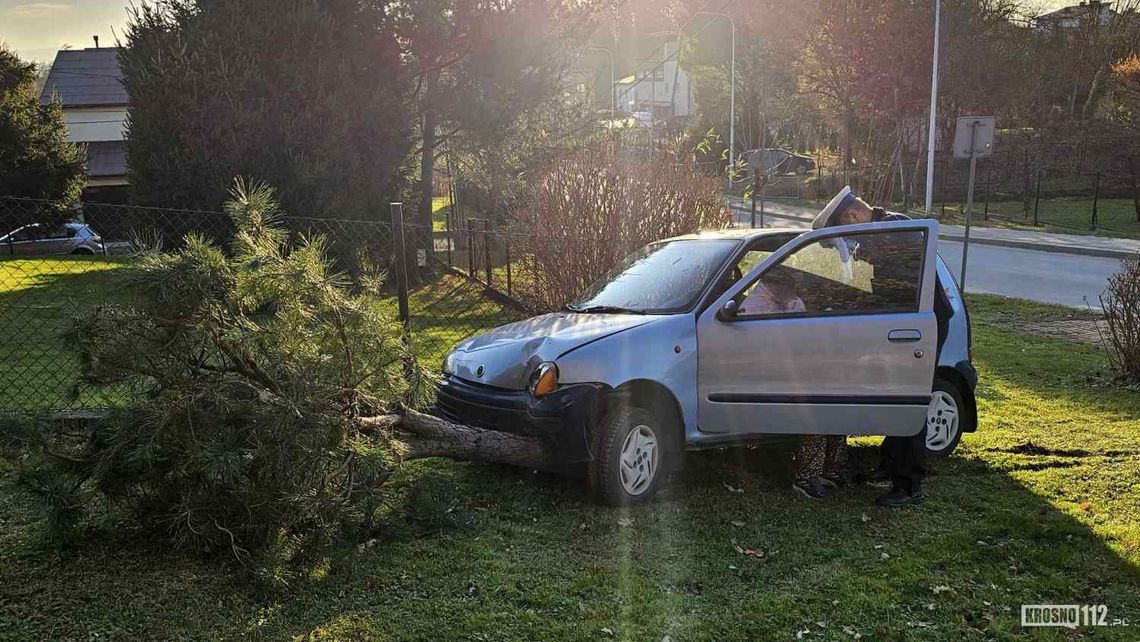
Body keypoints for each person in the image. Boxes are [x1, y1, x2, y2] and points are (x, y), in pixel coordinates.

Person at [812, 186, 952, 507]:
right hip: (908, 324)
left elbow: (898, 292)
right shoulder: (886, 229)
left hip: (921, 328)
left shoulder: (894, 232)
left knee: (909, 398)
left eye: (846, 233)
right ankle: (890, 465)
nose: (850, 242)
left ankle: (908, 485)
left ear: (853, 215)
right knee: (893, 394)